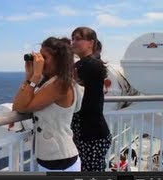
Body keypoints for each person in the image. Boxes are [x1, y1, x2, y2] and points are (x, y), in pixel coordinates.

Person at [12, 37, 83, 171]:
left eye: (44, 57)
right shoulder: (50, 82)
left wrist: (34, 77)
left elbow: (22, 107)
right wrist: (29, 77)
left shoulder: (59, 84)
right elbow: (17, 107)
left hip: (60, 160)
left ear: (58, 60)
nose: (40, 61)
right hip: (53, 159)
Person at [70, 27, 112, 171]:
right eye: (73, 38)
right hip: (89, 133)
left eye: (78, 38)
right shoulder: (84, 64)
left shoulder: (89, 64)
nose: (73, 42)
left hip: (91, 135)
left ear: (90, 43)